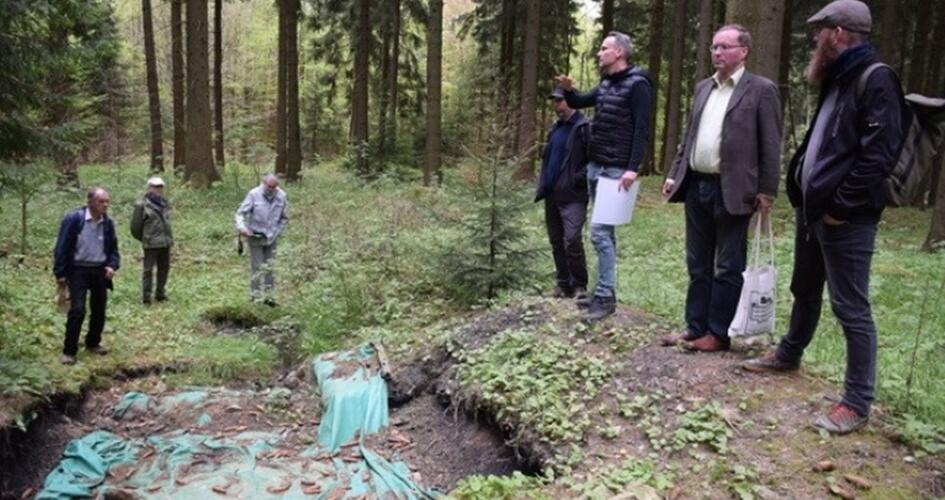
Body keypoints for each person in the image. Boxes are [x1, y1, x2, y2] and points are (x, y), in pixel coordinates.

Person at [742, 0, 906, 435]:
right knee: (804, 288)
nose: (815, 39)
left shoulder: (876, 79)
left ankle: (856, 402)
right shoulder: (839, 79)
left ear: (837, 33)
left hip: (845, 218)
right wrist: (807, 196)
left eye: (820, 32)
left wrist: (840, 208)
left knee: (851, 307)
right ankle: (789, 353)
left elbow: (879, 157)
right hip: (814, 211)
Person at [660, 25, 782, 352]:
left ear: (743, 51)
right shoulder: (703, 88)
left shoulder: (761, 90)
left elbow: (771, 144)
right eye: (714, 47)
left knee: (728, 265)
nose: (717, 53)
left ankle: (718, 332)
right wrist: (674, 172)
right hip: (697, 184)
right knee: (697, 262)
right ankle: (694, 326)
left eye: (725, 47)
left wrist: (767, 190)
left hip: (735, 190)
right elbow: (690, 137)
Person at [554, 31, 652, 322]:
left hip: (617, 169)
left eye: (604, 48)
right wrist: (568, 90)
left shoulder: (638, 84)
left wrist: (633, 167)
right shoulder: (608, 83)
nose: (599, 53)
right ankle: (601, 292)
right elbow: (582, 101)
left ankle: (606, 297)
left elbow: (641, 129)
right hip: (597, 166)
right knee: (603, 234)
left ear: (619, 53)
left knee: (599, 233)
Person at [53, 187, 120, 365]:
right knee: (77, 310)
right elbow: (62, 246)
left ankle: (93, 343)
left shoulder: (108, 223)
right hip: (77, 270)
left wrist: (112, 265)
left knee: (99, 309)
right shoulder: (74, 219)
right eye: (101, 201)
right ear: (90, 202)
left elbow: (113, 249)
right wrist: (60, 272)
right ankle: (69, 351)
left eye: (107, 202)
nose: (105, 205)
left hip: (99, 270)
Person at [534, 87, 590, 300]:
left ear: (571, 101)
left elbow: (593, 159)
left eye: (559, 100)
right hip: (552, 194)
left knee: (572, 240)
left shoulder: (584, 127)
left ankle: (579, 286)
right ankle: (563, 284)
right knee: (556, 241)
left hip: (573, 195)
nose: (556, 105)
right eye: (554, 101)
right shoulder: (555, 128)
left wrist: (578, 179)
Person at [235, 174, 289, 305]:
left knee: (270, 268)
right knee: (257, 267)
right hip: (255, 236)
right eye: (269, 186)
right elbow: (240, 213)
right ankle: (255, 298)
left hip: (272, 237)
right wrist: (242, 228)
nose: (272, 189)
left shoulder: (282, 196)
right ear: (263, 183)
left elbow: (284, 218)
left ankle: (270, 298)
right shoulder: (253, 194)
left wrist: (278, 232)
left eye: (274, 187)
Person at [130, 176, 173, 305]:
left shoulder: (164, 203)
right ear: (149, 188)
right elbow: (135, 227)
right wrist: (145, 238)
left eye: (160, 187)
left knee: (164, 268)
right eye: (155, 187)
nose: (158, 189)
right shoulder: (142, 205)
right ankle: (146, 297)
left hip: (165, 241)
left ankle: (160, 293)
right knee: (148, 270)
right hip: (151, 243)